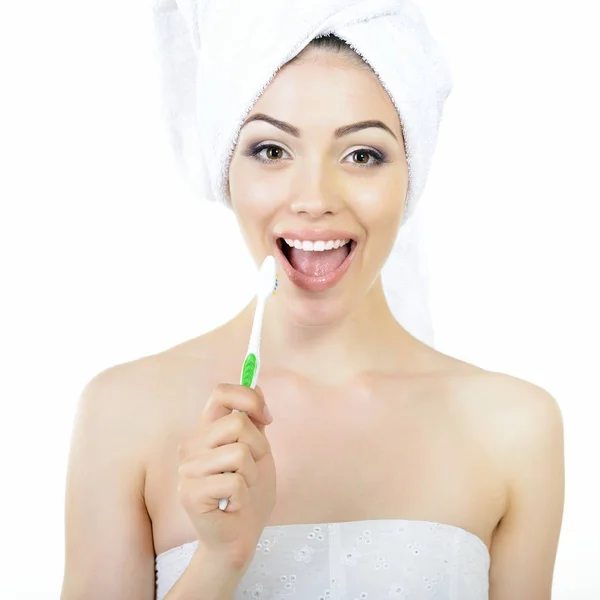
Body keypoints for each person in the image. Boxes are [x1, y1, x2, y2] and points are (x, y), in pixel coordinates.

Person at [60, 11, 565, 600]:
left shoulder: (514, 428)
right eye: (272, 150)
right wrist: (221, 561)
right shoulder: (122, 414)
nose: (315, 199)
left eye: (362, 155)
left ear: (412, 174)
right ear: (228, 169)